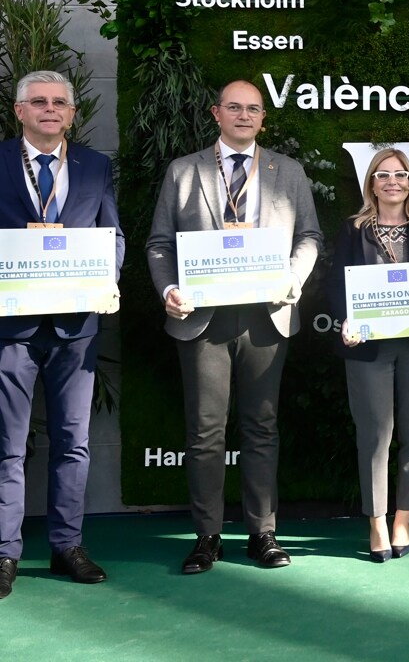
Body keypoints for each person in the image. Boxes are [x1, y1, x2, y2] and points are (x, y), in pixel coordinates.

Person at [146, 79, 322, 574]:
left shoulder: (288, 171)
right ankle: (207, 537)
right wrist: (167, 291)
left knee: (262, 427)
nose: (244, 116)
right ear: (215, 113)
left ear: (263, 118)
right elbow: (159, 244)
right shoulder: (183, 171)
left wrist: (292, 277)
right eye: (234, 108)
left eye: (254, 109)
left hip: (267, 315)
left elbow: (308, 235)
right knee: (205, 433)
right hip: (202, 319)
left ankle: (263, 534)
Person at [0, 71, 124, 599]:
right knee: (8, 446)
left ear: (72, 114)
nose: (50, 110)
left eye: (60, 103)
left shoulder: (95, 166)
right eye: (39, 102)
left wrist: (106, 279)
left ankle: (66, 545)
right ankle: (5, 553)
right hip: (12, 325)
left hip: (76, 326)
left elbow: (111, 233)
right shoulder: (1, 161)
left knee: (73, 442)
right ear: (19, 111)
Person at [328, 149, 409, 562]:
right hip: (368, 347)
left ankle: (404, 516)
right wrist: (345, 319)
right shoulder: (351, 230)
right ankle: (377, 520)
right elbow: (336, 286)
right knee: (376, 437)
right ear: (372, 184)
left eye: (400, 174)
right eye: (383, 175)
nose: (392, 181)